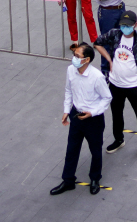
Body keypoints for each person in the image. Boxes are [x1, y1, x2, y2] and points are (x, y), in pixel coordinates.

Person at [49, 43, 112, 196]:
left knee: (95, 151)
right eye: (74, 55)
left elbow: (107, 97)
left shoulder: (97, 77)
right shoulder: (71, 70)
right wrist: (66, 110)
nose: (74, 58)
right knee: (71, 149)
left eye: (77, 56)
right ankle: (68, 180)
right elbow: (68, 90)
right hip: (76, 115)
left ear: (87, 59)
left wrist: (93, 112)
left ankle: (95, 179)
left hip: (93, 120)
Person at [94, 10, 137, 159]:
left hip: (134, 86)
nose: (125, 28)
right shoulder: (115, 34)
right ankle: (118, 139)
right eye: (123, 25)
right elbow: (97, 43)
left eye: (128, 26)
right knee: (116, 113)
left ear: (135, 25)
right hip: (115, 84)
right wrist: (109, 59)